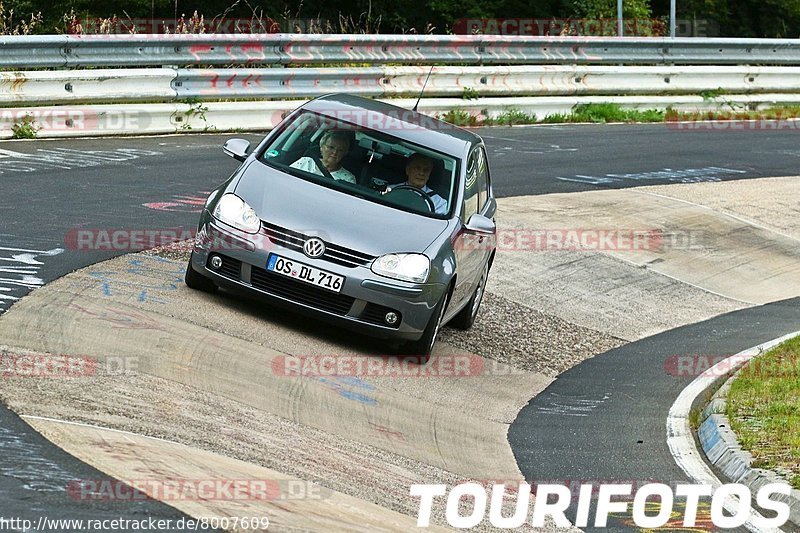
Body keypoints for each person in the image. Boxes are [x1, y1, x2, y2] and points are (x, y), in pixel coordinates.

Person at [290, 130, 356, 184]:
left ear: (345, 153)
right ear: (321, 147)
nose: (335, 152)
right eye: (331, 147)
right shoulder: (305, 161)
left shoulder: (348, 178)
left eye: (340, 150)